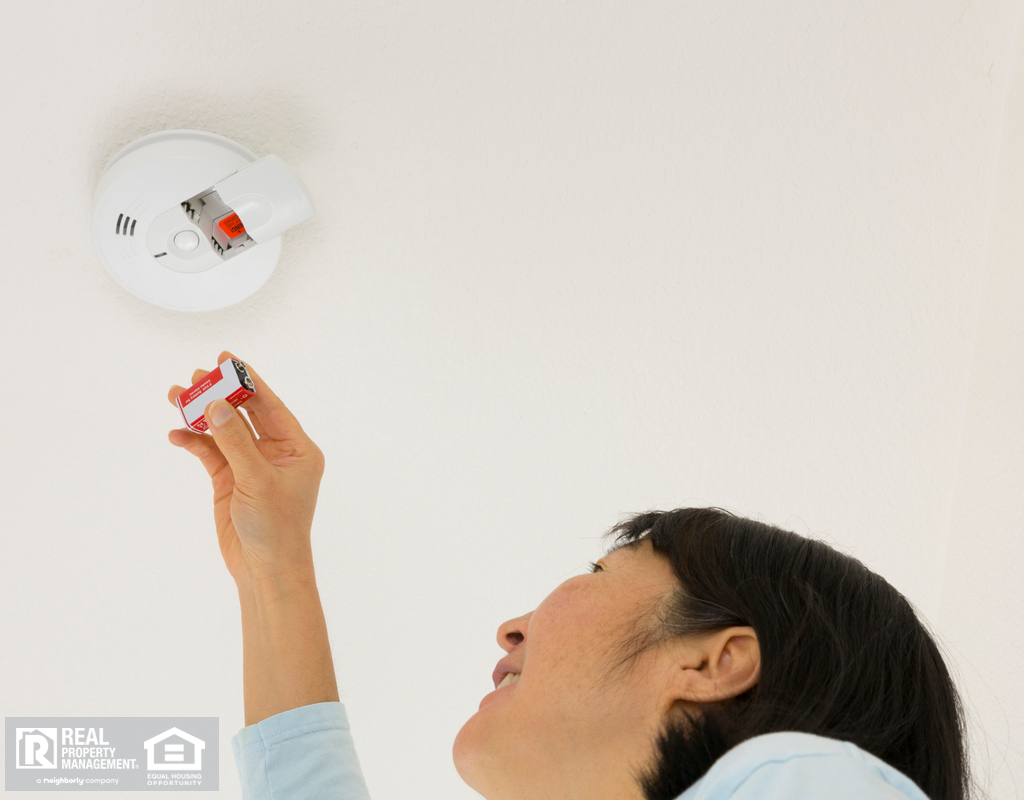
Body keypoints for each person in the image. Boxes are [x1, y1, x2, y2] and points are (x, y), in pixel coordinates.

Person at [167, 352, 972, 800]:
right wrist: (275, 572)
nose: (512, 628)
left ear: (714, 662)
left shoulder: (811, 782)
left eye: (601, 568)